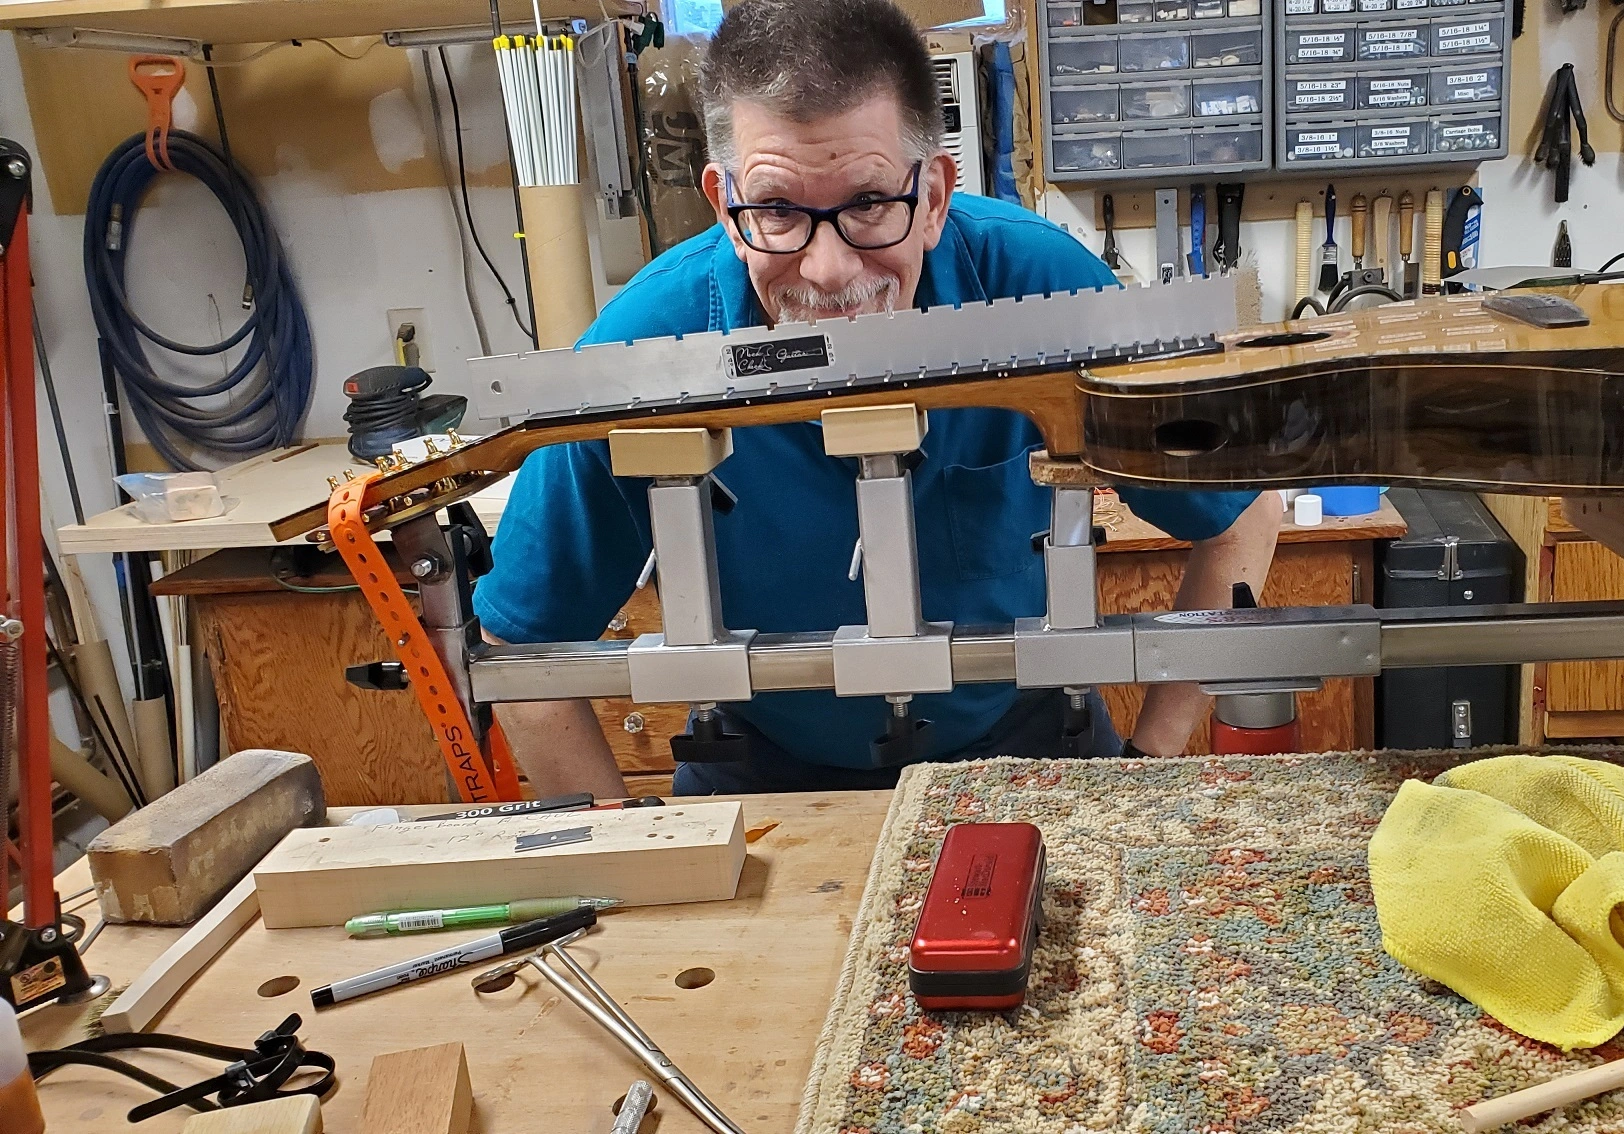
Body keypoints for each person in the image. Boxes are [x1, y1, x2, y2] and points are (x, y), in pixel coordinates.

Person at [473, 0, 1280, 796]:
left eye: (867, 204)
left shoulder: (1050, 294)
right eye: (777, 210)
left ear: (933, 197)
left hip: (1029, 746)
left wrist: (1150, 761)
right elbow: (522, 650)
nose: (828, 271)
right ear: (723, 205)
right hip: (758, 768)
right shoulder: (643, 350)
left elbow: (1243, 514)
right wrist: (634, 854)